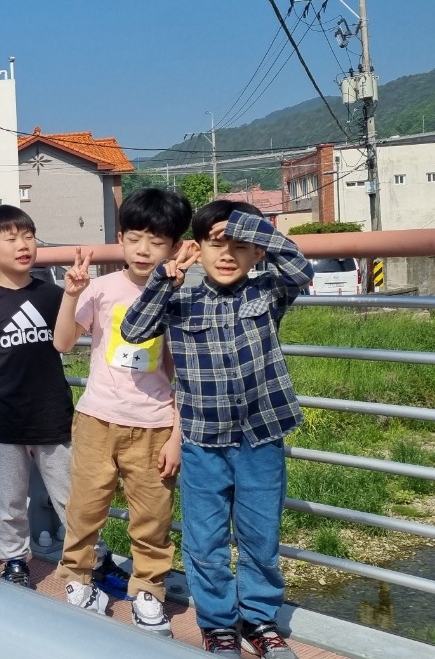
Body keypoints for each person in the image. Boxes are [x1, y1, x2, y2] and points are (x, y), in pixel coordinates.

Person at [122, 200, 312, 658]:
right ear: (197, 248)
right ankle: (219, 625)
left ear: (257, 253)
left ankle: (259, 619)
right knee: (205, 541)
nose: (227, 255)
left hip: (261, 436)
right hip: (202, 441)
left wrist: (250, 226)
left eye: (240, 247)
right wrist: (165, 279)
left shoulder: (267, 291)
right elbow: (134, 330)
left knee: (260, 536)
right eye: (216, 244)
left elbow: (300, 269)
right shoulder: (179, 298)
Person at [50, 188, 192, 633]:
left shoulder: (180, 297)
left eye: (157, 241)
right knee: (85, 507)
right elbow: (63, 343)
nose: (143, 250)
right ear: (121, 239)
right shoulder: (102, 288)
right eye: (134, 239)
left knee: (153, 515)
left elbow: (187, 374)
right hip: (97, 418)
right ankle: (78, 579)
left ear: (175, 246)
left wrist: (176, 435)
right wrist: (71, 294)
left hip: (154, 424)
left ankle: (148, 590)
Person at [0, 205, 74, 588]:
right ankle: (14, 559)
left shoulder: (54, 295)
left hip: (52, 413)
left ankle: (84, 560)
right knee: (9, 500)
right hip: (2, 418)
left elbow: (68, 340)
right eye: (11, 239)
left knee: (70, 497)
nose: (23, 245)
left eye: (28, 236)